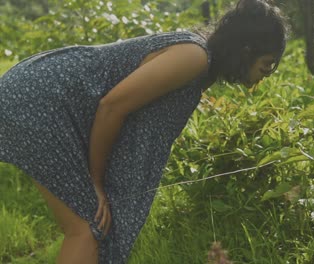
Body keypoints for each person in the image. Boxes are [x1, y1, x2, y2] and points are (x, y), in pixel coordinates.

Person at [0, 0, 287, 263]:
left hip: (42, 94)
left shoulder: (202, 65)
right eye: (266, 66)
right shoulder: (194, 56)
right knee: (88, 226)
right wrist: (95, 182)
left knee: (91, 225)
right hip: (41, 97)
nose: (264, 77)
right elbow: (112, 106)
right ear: (246, 51)